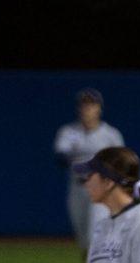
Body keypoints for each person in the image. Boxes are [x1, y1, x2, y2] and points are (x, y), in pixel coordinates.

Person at [53, 89, 125, 251]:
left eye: (92, 105)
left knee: (95, 236)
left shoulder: (110, 135)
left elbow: (122, 162)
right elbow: (60, 156)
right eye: (84, 105)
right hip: (78, 189)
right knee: (84, 241)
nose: (87, 109)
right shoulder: (69, 132)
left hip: (102, 192)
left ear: (99, 108)